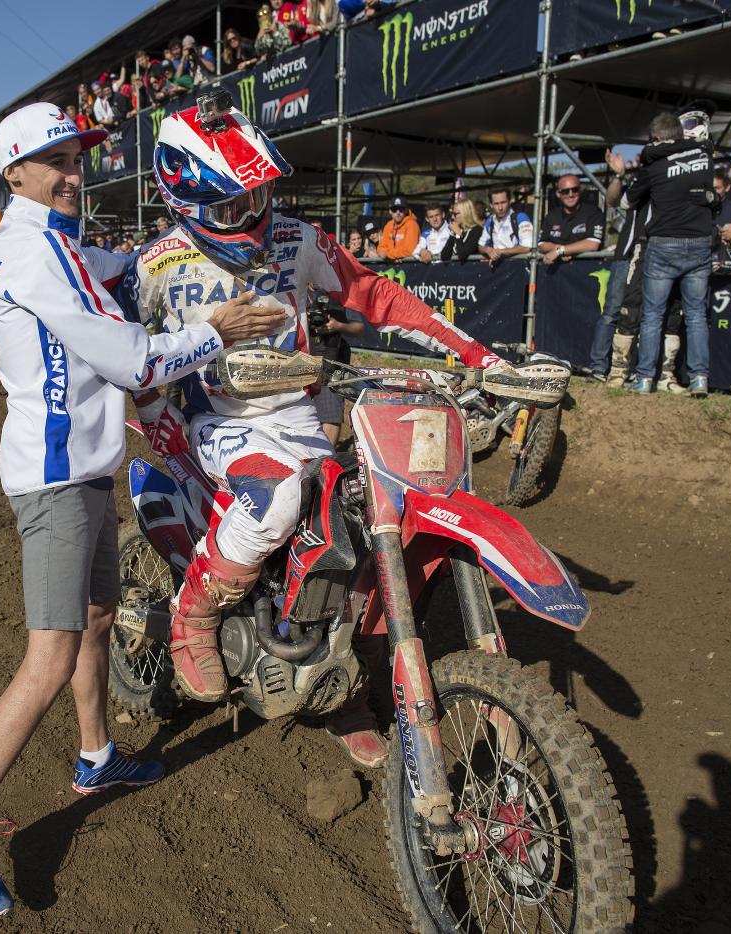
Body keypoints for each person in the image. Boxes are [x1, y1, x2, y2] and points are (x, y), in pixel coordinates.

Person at [0, 102, 284, 918]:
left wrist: (178, 237)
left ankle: (95, 755)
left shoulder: (53, 244)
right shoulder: (30, 251)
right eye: (53, 159)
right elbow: (132, 362)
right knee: (48, 658)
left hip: (81, 470)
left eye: (78, 155)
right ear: (13, 171)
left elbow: (117, 268)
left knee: (95, 619)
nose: (72, 171)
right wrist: (216, 327)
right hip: (54, 481)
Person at [129, 92, 512, 771]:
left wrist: (478, 355)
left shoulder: (297, 240)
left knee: (366, 527)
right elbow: (122, 352)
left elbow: (377, 295)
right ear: (183, 203)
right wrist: (157, 423)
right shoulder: (155, 264)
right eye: (228, 207)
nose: (249, 216)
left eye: (257, 197)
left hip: (304, 416)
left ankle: (341, 687)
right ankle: (195, 614)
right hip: (220, 424)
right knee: (275, 499)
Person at [620, 109, 716, 397]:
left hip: (663, 243)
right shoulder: (703, 155)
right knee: (697, 314)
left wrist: (651, 154)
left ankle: (644, 378)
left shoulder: (654, 166)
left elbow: (627, 202)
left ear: (659, 139)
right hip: (699, 242)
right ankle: (700, 379)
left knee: (652, 315)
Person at [588, 153, 652, 386]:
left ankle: (636, 369)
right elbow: (612, 200)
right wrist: (618, 175)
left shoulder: (670, 186)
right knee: (612, 311)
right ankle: (598, 366)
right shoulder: (640, 182)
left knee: (646, 315)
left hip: (654, 255)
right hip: (625, 254)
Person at [306, 291, 364, 442]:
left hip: (331, 363)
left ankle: (325, 460)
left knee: (330, 416)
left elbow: (359, 328)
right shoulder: (296, 289)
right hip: (301, 361)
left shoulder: (342, 293)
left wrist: (338, 325)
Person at [537, 175, 605, 265]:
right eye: (565, 191)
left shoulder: (593, 212)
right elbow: (541, 245)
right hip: (557, 271)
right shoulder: (551, 215)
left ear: (580, 191)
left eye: (575, 190)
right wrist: (562, 250)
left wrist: (560, 251)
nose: (570, 194)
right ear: (558, 194)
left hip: (588, 269)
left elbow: (592, 244)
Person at [479, 187, 534, 264]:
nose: (500, 207)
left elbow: (527, 247)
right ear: (491, 205)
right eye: (496, 204)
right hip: (498, 270)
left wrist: (500, 252)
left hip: (519, 267)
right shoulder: (490, 221)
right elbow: (481, 246)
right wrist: (487, 250)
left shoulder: (520, 218)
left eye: (503, 202)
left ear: (509, 202)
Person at [378, 196, 420, 262]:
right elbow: (381, 247)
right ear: (390, 211)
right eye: (394, 209)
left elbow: (409, 250)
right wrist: (393, 255)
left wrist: (388, 254)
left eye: (401, 209)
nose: (398, 212)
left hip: (408, 265)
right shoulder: (388, 225)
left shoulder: (412, 224)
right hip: (391, 265)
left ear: (406, 210)